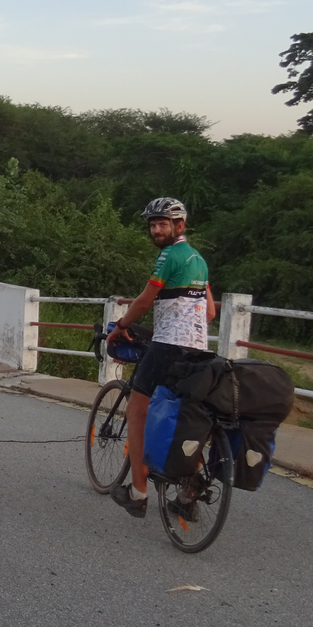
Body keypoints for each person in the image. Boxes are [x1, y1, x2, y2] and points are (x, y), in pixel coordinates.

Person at [106, 197, 216, 517]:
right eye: (152, 224)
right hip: (197, 351)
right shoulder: (198, 260)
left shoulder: (170, 254)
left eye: (163, 224)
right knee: (187, 418)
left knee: (137, 412)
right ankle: (187, 498)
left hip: (167, 346)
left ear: (179, 226)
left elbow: (143, 301)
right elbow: (208, 310)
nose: (156, 230)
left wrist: (121, 327)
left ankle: (138, 493)